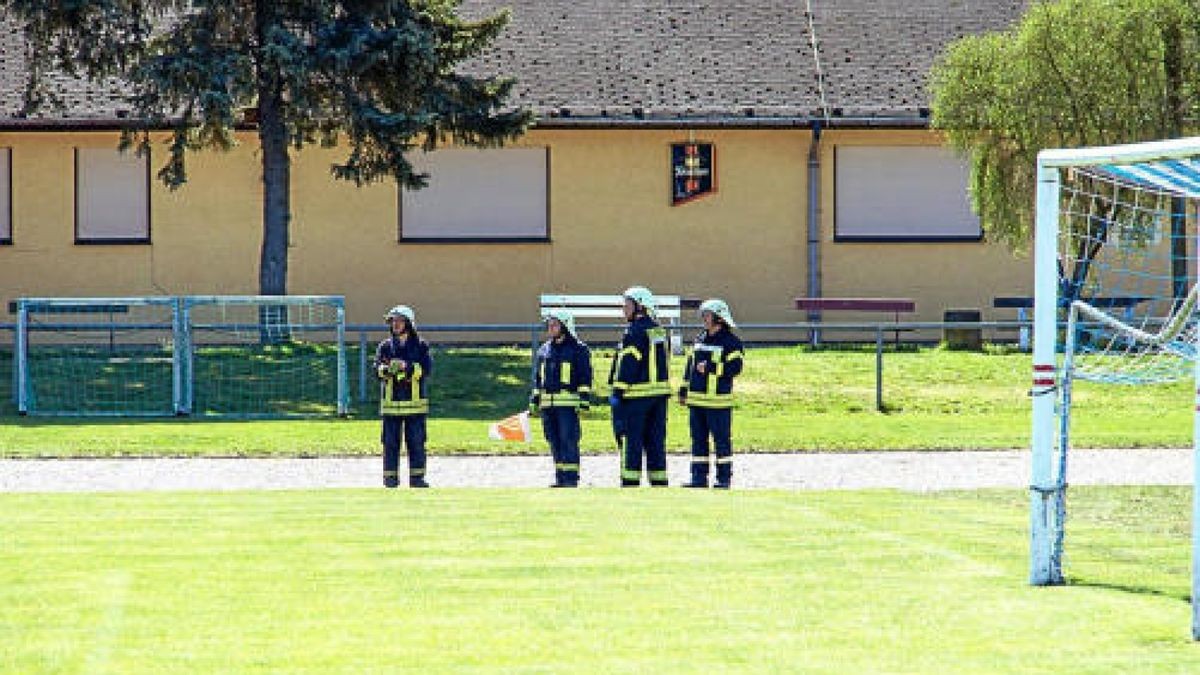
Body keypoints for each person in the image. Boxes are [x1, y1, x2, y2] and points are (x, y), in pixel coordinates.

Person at [609, 286, 672, 487]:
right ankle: (659, 482)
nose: (623, 309)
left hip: (635, 397)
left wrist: (618, 391)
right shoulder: (659, 331)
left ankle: (630, 482)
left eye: (627, 305)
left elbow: (629, 362)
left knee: (631, 440)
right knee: (655, 441)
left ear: (640, 307)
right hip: (659, 397)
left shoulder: (634, 332)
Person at [678, 299, 744, 489]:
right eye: (703, 315)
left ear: (719, 318)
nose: (704, 319)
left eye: (707, 315)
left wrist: (712, 368)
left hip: (718, 403)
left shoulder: (731, 342)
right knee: (698, 441)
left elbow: (736, 367)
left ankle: (723, 479)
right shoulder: (700, 339)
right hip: (697, 402)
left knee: (721, 442)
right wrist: (683, 390)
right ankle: (699, 478)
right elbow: (690, 366)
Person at [530, 309, 594, 487]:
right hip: (547, 406)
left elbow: (585, 377)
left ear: (565, 326)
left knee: (568, 440)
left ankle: (571, 479)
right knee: (553, 441)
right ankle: (560, 477)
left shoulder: (578, 350)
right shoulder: (544, 350)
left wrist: (584, 401)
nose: (550, 328)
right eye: (549, 325)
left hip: (568, 406)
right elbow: (538, 379)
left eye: (555, 325)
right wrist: (534, 400)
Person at [375, 304, 432, 488]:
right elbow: (376, 370)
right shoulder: (384, 347)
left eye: (399, 321)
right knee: (390, 443)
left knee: (416, 442)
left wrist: (406, 367)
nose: (395, 325)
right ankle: (390, 479)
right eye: (393, 321)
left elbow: (426, 370)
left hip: (415, 406)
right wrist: (386, 370)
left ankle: (417, 478)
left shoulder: (421, 346)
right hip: (391, 406)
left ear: (409, 323)